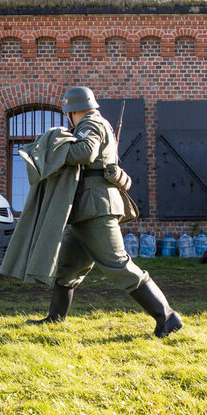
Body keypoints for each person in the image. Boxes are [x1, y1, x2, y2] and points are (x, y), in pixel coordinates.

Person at [29, 86, 183, 338]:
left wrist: (53, 149)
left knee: (118, 263)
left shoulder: (91, 123)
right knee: (68, 268)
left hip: (96, 208)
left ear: (71, 110)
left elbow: (85, 151)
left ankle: (167, 317)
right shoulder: (97, 123)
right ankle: (55, 319)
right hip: (86, 209)